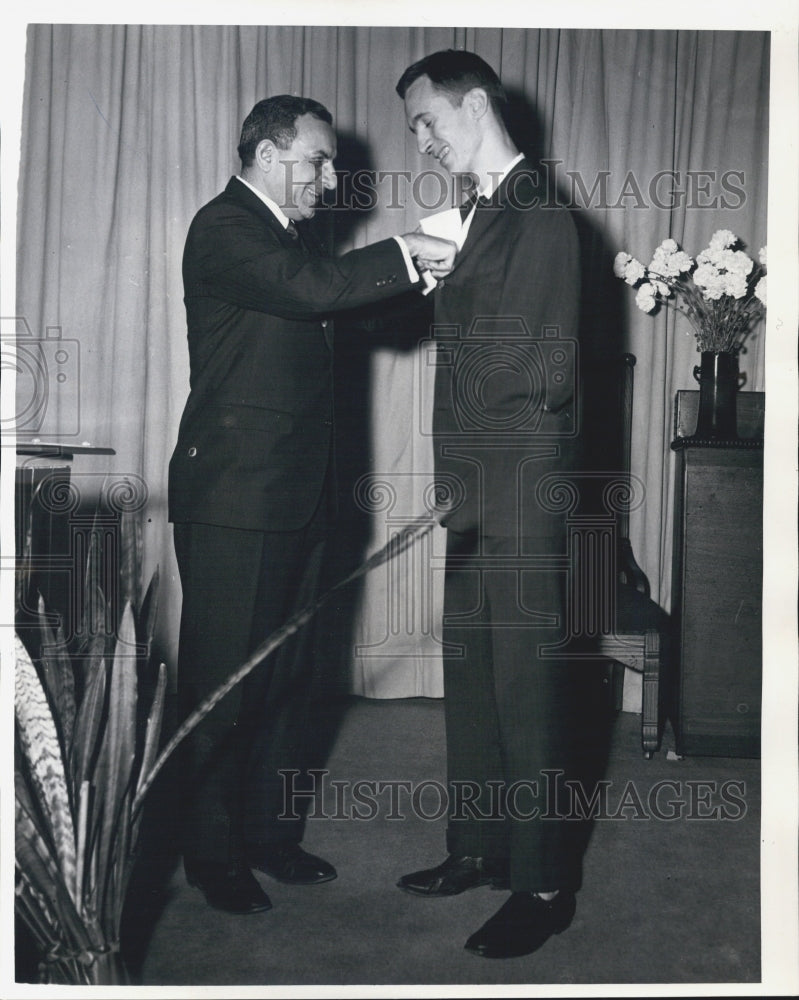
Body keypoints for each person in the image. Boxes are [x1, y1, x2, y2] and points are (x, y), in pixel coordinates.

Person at [168, 94, 455, 915]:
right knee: (226, 683)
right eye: (317, 162)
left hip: (300, 495)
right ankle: (211, 854)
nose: (329, 181)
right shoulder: (225, 228)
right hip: (236, 499)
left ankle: (268, 836)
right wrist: (408, 250)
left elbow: (340, 309)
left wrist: (437, 279)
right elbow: (313, 290)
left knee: (290, 679)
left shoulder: (291, 242)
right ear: (265, 156)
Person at [394, 50, 584, 958]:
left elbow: (543, 367)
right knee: (473, 674)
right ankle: (477, 845)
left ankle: (541, 882)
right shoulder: (480, 212)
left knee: (527, 686)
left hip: (517, 481)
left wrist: (453, 286)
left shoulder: (539, 210)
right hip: (474, 480)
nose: (421, 142)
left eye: (426, 121)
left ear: (474, 104)